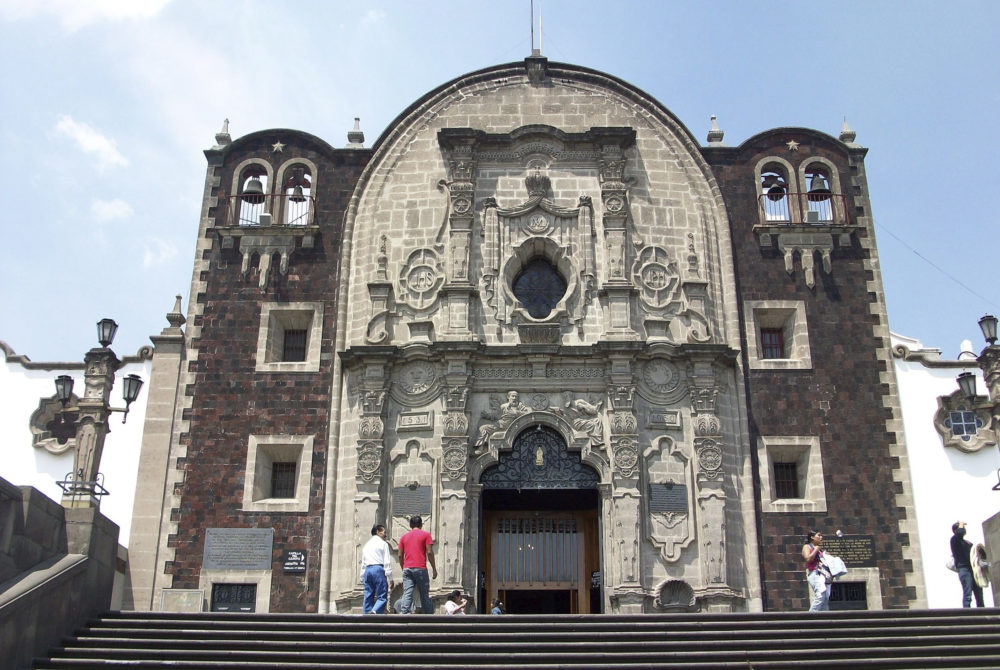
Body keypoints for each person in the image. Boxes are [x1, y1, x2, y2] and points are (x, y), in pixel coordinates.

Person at [397, 515, 437, 614]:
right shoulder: (426, 535)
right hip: (420, 567)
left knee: (407, 592)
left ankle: (404, 613)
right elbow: (429, 552)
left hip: (407, 568)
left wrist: (403, 567)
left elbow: (400, 555)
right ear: (421, 524)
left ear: (410, 525)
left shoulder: (403, 537)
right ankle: (428, 615)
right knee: (424, 594)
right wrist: (434, 569)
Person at [359, 524, 394, 614]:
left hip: (368, 570)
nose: (385, 534)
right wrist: (390, 578)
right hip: (378, 569)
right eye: (384, 532)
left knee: (368, 595)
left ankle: (366, 615)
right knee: (382, 595)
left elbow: (363, 563)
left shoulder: (366, 545)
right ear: (377, 532)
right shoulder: (383, 544)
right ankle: (375, 611)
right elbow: (387, 562)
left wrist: (362, 577)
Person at [951, 521, 985, 608]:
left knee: (979, 594)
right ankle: (967, 613)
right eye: (961, 528)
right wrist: (961, 525)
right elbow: (959, 534)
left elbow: (976, 555)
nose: (963, 530)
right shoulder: (954, 540)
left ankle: (982, 614)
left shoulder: (968, 543)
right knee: (968, 594)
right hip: (964, 569)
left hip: (973, 569)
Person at [802, 530, 831, 611]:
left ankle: (825, 620)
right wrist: (815, 550)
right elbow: (808, 559)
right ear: (812, 537)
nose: (821, 537)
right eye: (819, 535)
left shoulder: (820, 550)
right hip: (815, 573)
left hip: (824, 575)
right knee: (820, 595)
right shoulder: (807, 547)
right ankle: (809, 619)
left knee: (825, 597)